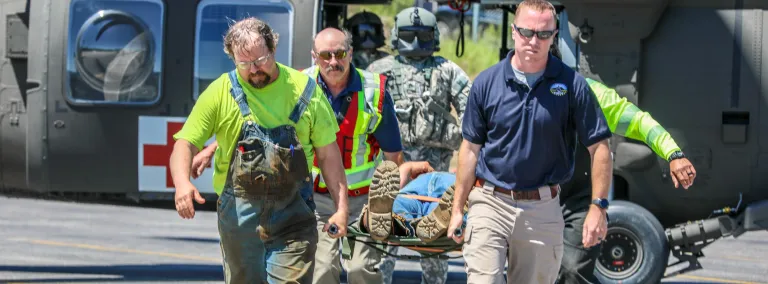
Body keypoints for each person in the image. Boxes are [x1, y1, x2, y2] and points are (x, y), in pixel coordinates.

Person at [168, 17, 349, 284]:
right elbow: (185, 143)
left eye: (261, 60)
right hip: (240, 222)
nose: (254, 70)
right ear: (233, 59)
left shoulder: (305, 91)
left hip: (293, 220)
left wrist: (341, 208)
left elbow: (328, 156)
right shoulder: (221, 91)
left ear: (273, 48)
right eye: (244, 63)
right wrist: (182, 183)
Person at [445, 0, 614, 283]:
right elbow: (470, 150)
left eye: (543, 34)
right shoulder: (487, 83)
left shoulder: (573, 85)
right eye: (526, 32)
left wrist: (598, 207)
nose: (534, 40)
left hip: (542, 208)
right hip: (490, 202)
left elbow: (600, 148)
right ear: (513, 31)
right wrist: (457, 209)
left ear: (554, 35)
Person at [555, 78, 697, 284]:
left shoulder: (584, 91)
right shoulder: (509, 87)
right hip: (530, 199)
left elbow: (638, 121)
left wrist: (673, 154)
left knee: (572, 270)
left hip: (577, 200)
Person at [366, 7, 471, 284]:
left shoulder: (447, 71)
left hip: (433, 173)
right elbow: (361, 117)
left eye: (422, 35)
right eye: (409, 35)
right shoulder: (379, 71)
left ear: (433, 36)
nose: (415, 42)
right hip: (390, 169)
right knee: (383, 234)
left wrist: (453, 136)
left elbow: (473, 113)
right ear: (398, 36)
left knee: (434, 240)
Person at [301, 28, 406, 284]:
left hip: (364, 201)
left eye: (340, 53)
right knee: (323, 270)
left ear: (351, 53)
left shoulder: (374, 93)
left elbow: (394, 157)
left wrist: (385, 204)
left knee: (361, 270)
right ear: (314, 57)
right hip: (319, 199)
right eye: (326, 55)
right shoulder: (299, 88)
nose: (333, 62)